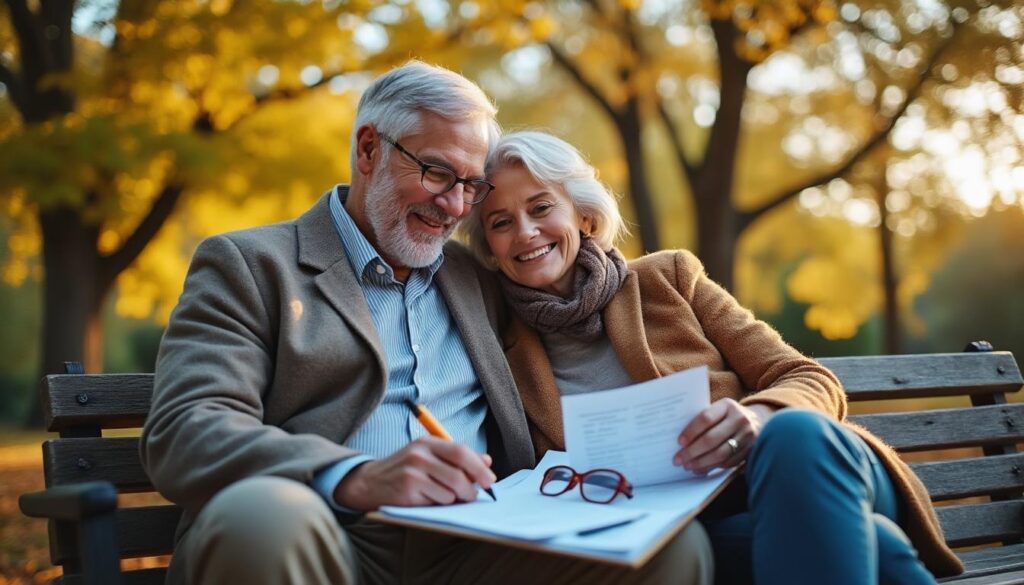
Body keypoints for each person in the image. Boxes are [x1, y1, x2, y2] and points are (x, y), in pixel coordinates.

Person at [141, 62, 714, 585]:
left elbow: (569, 282)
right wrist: (353, 476)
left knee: (668, 549)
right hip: (325, 534)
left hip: (476, 543)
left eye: (471, 186)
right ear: (368, 149)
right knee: (261, 516)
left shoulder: (478, 276)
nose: (456, 206)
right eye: (438, 173)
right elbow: (186, 428)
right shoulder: (251, 266)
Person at [461, 130, 965, 585]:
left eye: (541, 207)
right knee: (876, 547)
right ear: (490, 249)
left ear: (584, 216)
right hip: (684, 530)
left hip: (800, 470)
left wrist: (758, 416)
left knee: (793, 432)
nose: (525, 231)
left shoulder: (668, 279)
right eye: (502, 222)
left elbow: (805, 375)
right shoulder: (498, 348)